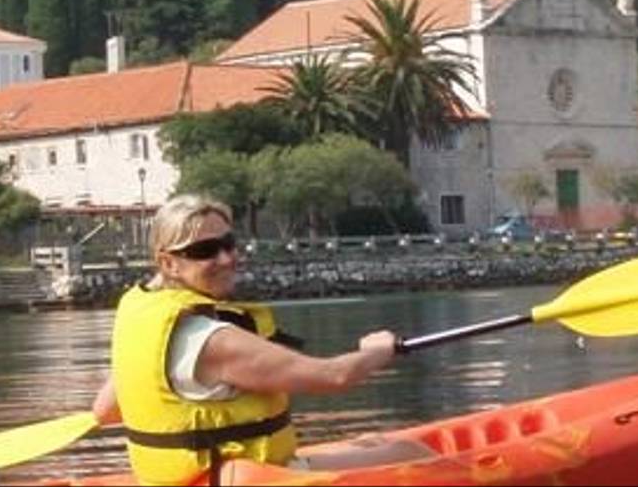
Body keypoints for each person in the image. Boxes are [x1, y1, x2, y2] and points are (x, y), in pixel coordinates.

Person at [91, 195, 436, 485]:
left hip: (180, 479)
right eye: (205, 251)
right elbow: (333, 376)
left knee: (369, 441)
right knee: (414, 454)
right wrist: (376, 352)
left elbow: (104, 411)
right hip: (240, 478)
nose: (226, 259)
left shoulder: (144, 317)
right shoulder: (211, 340)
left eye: (228, 244)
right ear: (168, 262)